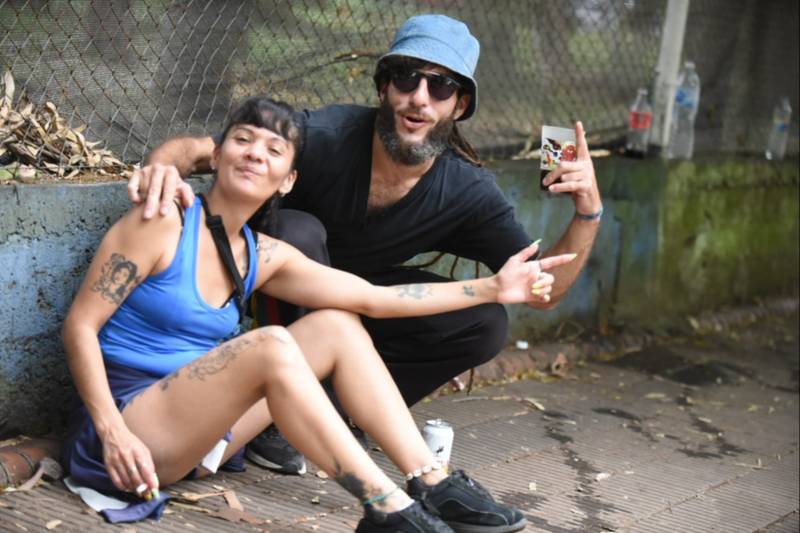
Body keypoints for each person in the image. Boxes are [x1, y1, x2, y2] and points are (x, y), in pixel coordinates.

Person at [63, 96, 577, 532]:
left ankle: (430, 481)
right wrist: (113, 432)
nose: (255, 153)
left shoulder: (262, 255)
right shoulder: (162, 224)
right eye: (242, 140)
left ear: (288, 180)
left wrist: (492, 287)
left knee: (336, 325)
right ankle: (386, 507)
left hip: (200, 439)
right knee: (271, 344)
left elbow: (375, 299)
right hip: (131, 436)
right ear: (216, 155)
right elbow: (81, 327)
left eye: (274, 149)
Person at [129, 14, 603, 476]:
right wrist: (161, 168)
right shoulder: (325, 135)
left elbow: (543, 291)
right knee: (296, 230)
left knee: (486, 323)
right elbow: (199, 150)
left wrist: (587, 213)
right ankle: (276, 414)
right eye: (407, 78)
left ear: (459, 106)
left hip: (368, 303)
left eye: (440, 87)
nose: (419, 98)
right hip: (284, 298)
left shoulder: (467, 191)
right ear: (383, 88)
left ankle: (335, 411)